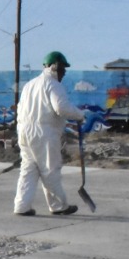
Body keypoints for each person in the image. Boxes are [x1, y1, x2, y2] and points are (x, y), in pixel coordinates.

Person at [13, 51, 86, 216]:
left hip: (24, 131)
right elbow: (61, 108)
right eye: (63, 69)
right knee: (50, 170)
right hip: (44, 133)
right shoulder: (53, 84)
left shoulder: (29, 85)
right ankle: (59, 206)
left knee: (28, 169)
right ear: (55, 67)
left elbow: (20, 109)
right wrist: (80, 115)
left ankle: (21, 206)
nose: (64, 73)